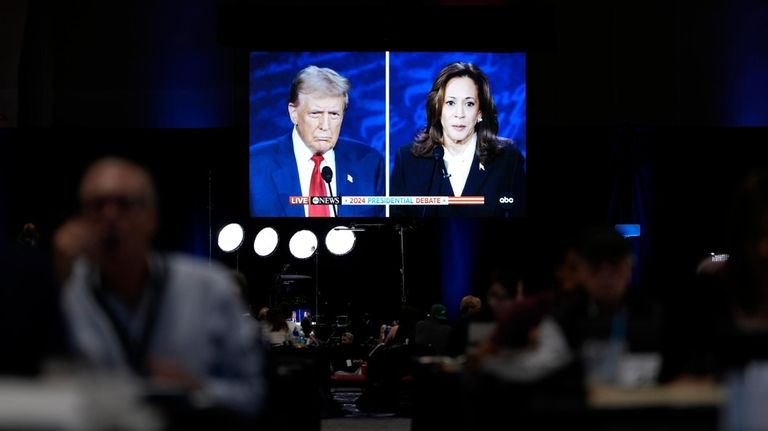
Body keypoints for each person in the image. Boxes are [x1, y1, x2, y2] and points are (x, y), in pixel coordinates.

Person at [54, 157, 265, 417]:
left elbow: (254, 394)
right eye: (97, 206)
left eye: (125, 205)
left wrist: (198, 391)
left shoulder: (209, 288)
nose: (110, 216)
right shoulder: (66, 290)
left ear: (152, 218)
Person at [390, 62, 526, 217]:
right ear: (438, 108)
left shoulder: (508, 160)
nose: (459, 113)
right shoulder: (408, 160)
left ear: (480, 112)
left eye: (469, 104)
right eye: (450, 103)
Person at [249, 65, 385, 217]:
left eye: (334, 114)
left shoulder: (370, 163)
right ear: (294, 113)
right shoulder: (254, 164)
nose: (325, 126)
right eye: (315, 113)